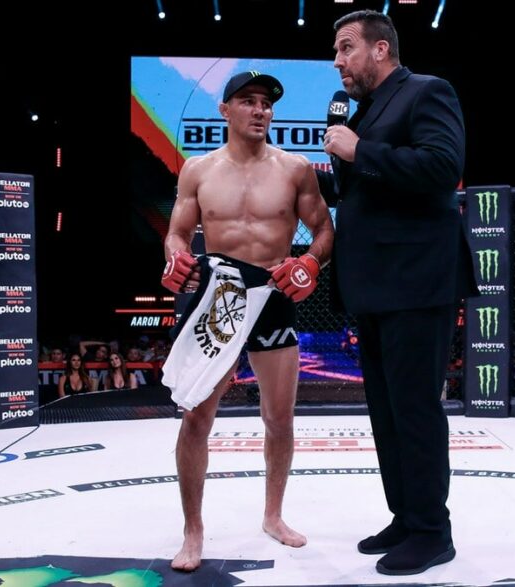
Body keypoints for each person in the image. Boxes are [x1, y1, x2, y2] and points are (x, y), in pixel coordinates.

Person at [317, 10, 476, 576]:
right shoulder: (364, 111)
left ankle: (433, 532)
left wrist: (359, 151)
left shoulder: (427, 92)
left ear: (380, 49)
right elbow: (363, 190)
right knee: (386, 412)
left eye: (346, 48)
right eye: (336, 51)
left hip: (416, 281)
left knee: (414, 409)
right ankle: (407, 517)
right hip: (375, 285)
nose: (337, 61)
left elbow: (442, 166)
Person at [160, 70, 334, 572]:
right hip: (220, 293)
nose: (260, 110)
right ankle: (193, 530)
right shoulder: (198, 170)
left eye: (266, 103)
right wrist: (174, 256)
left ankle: (273, 516)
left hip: (273, 291)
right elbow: (177, 233)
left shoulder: (295, 169)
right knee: (197, 417)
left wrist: (310, 262)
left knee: (279, 418)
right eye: (248, 101)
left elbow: (323, 229)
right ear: (225, 110)